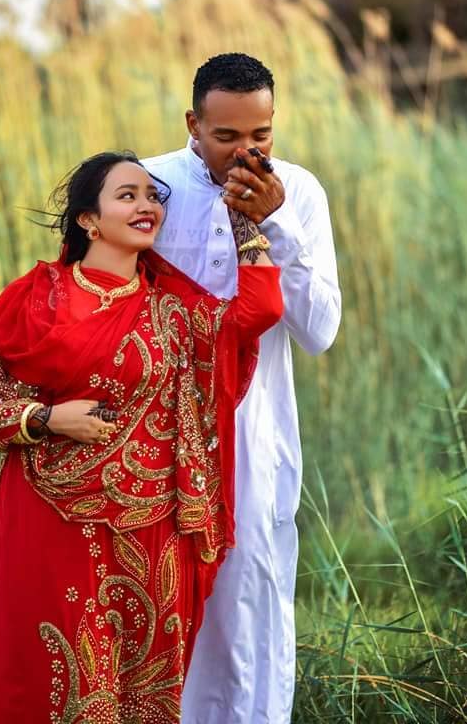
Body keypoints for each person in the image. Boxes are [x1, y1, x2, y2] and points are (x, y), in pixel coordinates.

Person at [0, 150, 283, 723]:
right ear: (89, 220)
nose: (146, 206)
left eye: (152, 196)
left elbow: (261, 309)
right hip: (49, 521)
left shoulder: (174, 310)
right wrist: (46, 419)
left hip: (152, 530)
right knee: (48, 681)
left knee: (142, 690)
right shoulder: (30, 301)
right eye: (127, 196)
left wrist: (246, 220)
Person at [143, 52, 342, 723]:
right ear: (192, 124)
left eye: (261, 134)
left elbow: (319, 331)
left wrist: (275, 223)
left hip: (255, 436)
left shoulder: (299, 191)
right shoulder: (148, 185)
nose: (245, 153)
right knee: (157, 594)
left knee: (249, 598)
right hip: (156, 435)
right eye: (225, 135)